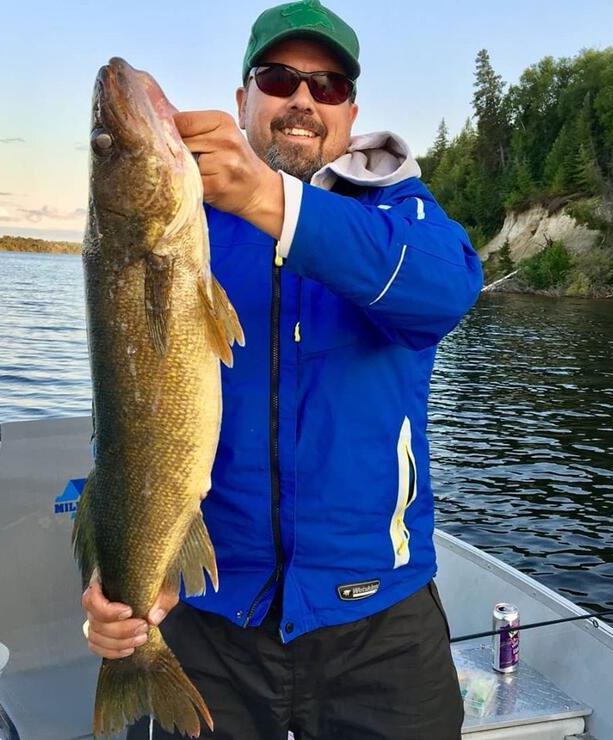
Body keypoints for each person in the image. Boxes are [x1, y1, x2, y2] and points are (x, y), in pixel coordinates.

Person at [82, 1, 483, 738]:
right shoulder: (188, 229)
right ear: (243, 101)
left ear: (350, 109)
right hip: (209, 621)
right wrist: (112, 585)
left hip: (380, 625)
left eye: (327, 86)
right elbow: (126, 423)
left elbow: (447, 290)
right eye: (279, 77)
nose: (303, 98)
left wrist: (271, 201)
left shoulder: (399, 214)